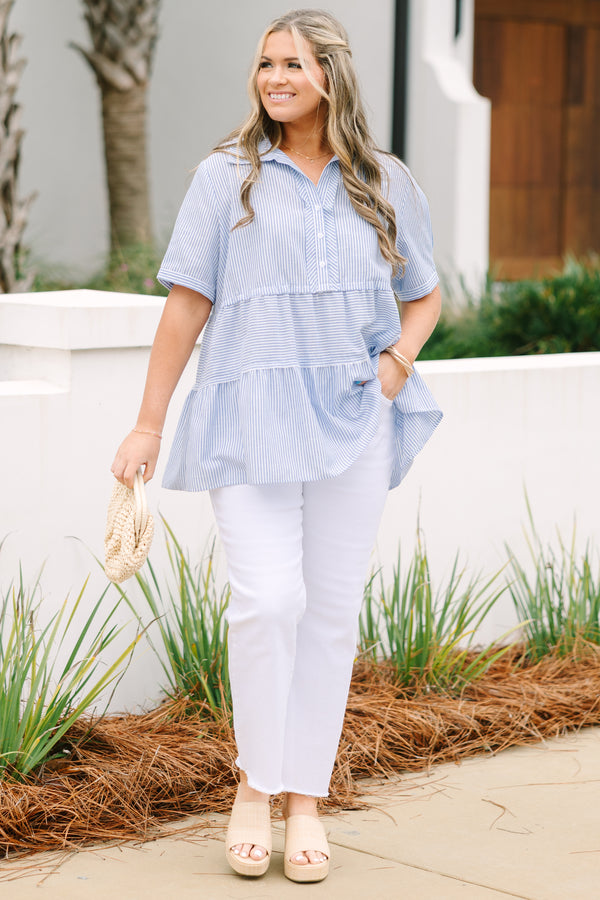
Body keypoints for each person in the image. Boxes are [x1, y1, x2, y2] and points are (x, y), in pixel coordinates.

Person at [111, 7, 442, 884]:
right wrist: (147, 423)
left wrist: (395, 366)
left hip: (353, 422)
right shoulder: (226, 176)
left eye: (292, 63)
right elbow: (187, 304)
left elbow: (424, 294)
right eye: (266, 64)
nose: (275, 78)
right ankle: (254, 785)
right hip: (250, 420)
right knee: (265, 602)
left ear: (331, 74)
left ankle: (306, 800)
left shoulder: (384, 180)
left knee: (330, 614)